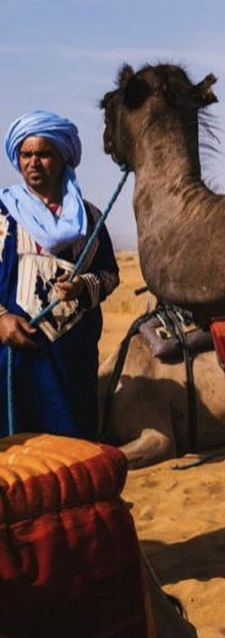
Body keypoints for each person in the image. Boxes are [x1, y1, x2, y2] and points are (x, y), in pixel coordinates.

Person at [0, 111, 119, 438]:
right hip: (13, 357)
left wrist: (84, 286)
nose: (33, 163)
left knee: (72, 452)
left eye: (43, 154)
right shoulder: (4, 214)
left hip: (72, 361)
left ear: (63, 157)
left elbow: (109, 275)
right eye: (26, 155)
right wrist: (1, 319)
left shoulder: (91, 218)